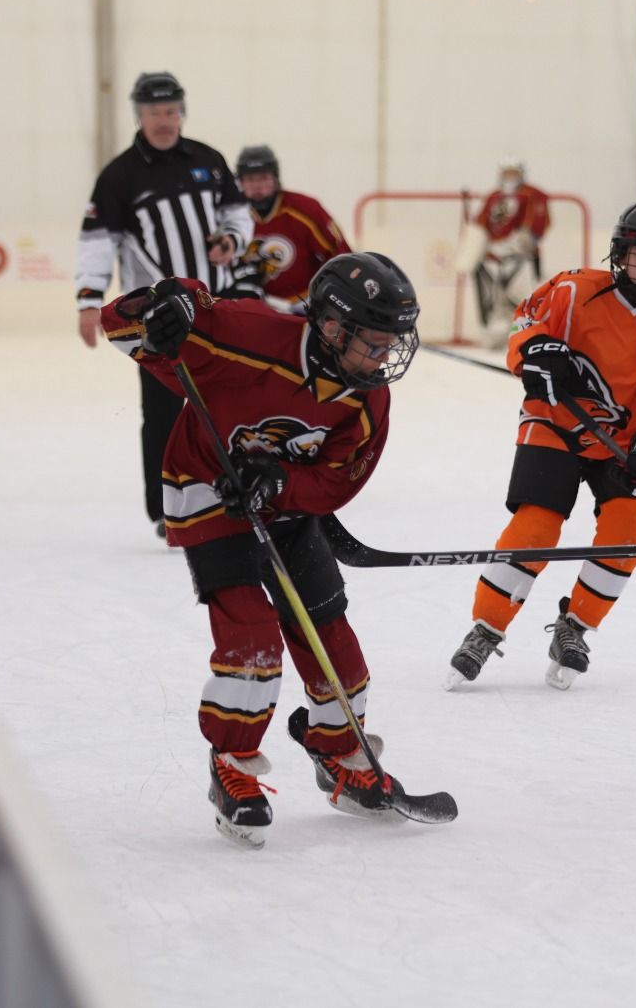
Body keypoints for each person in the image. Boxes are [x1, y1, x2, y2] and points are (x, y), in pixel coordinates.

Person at [100, 252, 424, 848]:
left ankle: (342, 756)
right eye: (373, 344)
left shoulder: (367, 400)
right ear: (331, 327)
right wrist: (167, 306)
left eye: (390, 345)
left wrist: (282, 484)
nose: (383, 359)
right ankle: (233, 763)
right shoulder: (250, 337)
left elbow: (339, 480)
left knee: (332, 632)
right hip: (205, 486)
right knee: (252, 637)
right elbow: (118, 325)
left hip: (285, 503)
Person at [446, 204, 636, 691]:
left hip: (623, 441)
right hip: (555, 423)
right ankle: (485, 628)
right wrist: (533, 352)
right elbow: (526, 318)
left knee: (628, 527)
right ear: (619, 253)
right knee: (536, 525)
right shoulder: (572, 288)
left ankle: (576, 628)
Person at [74, 71, 253, 541]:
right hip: (156, 319)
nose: (164, 121)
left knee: (227, 402)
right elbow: (97, 241)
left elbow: (236, 212)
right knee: (164, 413)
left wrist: (232, 239)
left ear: (182, 112)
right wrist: (89, 301)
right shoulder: (120, 175)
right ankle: (166, 511)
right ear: (139, 115)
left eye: (171, 111)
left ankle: (232, 495)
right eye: (155, 112)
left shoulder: (208, 160)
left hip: (214, 306)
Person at [231, 144, 352, 316]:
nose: (258, 186)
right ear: (240, 181)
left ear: (275, 178)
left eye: (264, 178)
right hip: (254, 310)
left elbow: (340, 255)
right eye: (250, 179)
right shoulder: (230, 215)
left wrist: (330, 298)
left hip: (304, 305)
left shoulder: (305, 209)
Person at [468, 159, 552, 330]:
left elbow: (539, 223)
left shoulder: (533, 194)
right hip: (494, 256)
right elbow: (481, 225)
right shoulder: (493, 196)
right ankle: (493, 328)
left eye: (513, 172)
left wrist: (525, 241)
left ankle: (528, 329)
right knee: (493, 296)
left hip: (521, 258)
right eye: (506, 173)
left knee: (524, 295)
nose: (510, 177)